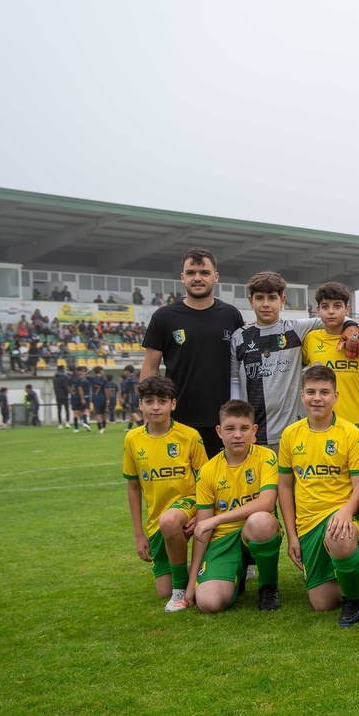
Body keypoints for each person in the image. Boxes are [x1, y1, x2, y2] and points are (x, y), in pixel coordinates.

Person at [230, 271, 359, 453]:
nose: (266, 304)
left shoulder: (296, 329)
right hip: (253, 432)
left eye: (272, 298)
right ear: (250, 301)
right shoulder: (239, 337)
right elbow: (234, 381)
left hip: (293, 432)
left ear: (282, 300)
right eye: (260, 298)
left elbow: (335, 317)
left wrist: (351, 327)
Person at [277, 366, 359, 625]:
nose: (317, 398)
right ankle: (356, 559)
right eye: (311, 392)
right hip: (307, 523)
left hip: (341, 514)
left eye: (324, 392)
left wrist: (346, 511)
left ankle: (352, 601)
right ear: (302, 395)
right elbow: (285, 487)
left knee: (338, 536)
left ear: (335, 396)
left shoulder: (350, 433)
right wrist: (292, 535)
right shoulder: (290, 434)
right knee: (322, 604)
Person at [141, 248, 245, 459]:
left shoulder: (230, 315)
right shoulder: (164, 317)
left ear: (216, 276)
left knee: (220, 479)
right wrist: (146, 412)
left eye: (204, 272)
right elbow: (150, 367)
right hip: (178, 419)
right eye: (191, 273)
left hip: (222, 421)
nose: (197, 278)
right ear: (182, 277)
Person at [185, 399, 283, 613]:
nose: (237, 435)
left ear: (254, 431)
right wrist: (192, 582)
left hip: (255, 534)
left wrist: (217, 519)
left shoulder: (266, 457)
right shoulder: (208, 470)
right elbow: (202, 529)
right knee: (209, 603)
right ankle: (234, 575)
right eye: (230, 429)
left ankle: (268, 587)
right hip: (223, 540)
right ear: (219, 431)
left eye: (244, 428)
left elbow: (267, 502)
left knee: (261, 520)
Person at [123, 376, 206, 611]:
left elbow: (205, 481)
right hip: (155, 519)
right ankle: (201, 571)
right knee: (162, 590)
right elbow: (133, 487)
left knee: (169, 520)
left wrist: (200, 514)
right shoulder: (132, 439)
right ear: (140, 405)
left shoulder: (189, 436)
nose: (156, 407)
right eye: (149, 401)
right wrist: (139, 535)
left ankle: (180, 592)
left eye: (162, 401)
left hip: (188, 504)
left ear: (173, 404)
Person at [301, 281, 359, 440]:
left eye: (337, 306)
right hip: (320, 427)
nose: (331, 311)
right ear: (318, 310)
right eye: (325, 306)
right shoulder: (311, 339)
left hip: (357, 427)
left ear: (347, 309)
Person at [69, 365, 91, 432]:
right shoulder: (80, 379)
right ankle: (84, 423)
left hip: (74, 397)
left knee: (76, 412)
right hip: (78, 397)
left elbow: (70, 388)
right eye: (82, 371)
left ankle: (77, 427)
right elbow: (80, 388)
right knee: (82, 411)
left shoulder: (72, 378)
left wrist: (72, 393)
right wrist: (82, 398)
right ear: (78, 371)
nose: (83, 373)